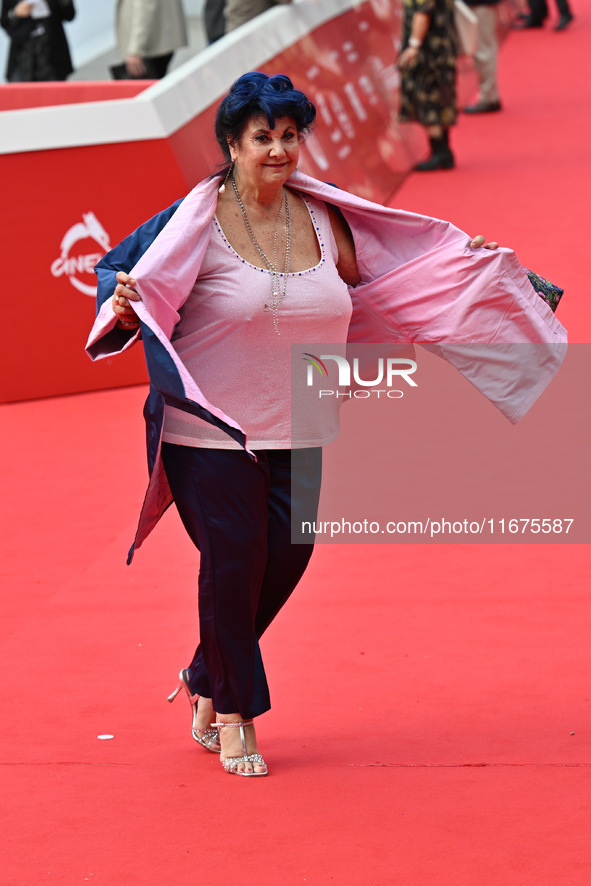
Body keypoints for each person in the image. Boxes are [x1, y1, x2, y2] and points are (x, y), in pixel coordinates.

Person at [86, 72, 566, 778]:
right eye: (262, 137)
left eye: (289, 135)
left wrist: (466, 272)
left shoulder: (323, 219)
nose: (277, 149)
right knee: (235, 560)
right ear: (231, 143)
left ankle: (204, 674)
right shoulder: (191, 224)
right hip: (211, 429)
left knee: (285, 560)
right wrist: (126, 309)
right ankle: (234, 715)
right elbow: (123, 280)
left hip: (300, 421)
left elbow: (398, 278)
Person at [397, 0, 457, 170]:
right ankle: (443, 150)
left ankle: (439, 151)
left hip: (428, 53)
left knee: (428, 98)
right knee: (440, 97)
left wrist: (413, 46)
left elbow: (423, 12)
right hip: (441, 48)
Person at [1, 0, 75, 82]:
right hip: (22, 54)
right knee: (20, 91)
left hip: (52, 51)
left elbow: (69, 15)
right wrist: (15, 13)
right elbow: (5, 21)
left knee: (54, 91)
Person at [114, 0, 187, 80]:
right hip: (160, 37)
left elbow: (144, 9)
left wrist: (135, 50)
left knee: (146, 88)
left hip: (149, 46)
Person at [463, 0, 502, 113]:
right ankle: (488, 95)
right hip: (479, 4)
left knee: (483, 50)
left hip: (481, 4)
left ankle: (489, 97)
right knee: (483, 48)